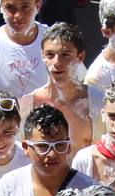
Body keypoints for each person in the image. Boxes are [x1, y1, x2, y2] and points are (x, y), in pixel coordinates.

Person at [20, 23, 93, 158]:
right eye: (50, 55)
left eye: (65, 55)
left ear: (80, 57)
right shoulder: (27, 105)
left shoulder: (97, 102)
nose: (57, 62)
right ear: (43, 56)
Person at [0, 0, 49, 97]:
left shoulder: (54, 41)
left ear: (38, 5)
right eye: (10, 7)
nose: (18, 15)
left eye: (25, 7)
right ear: (1, 6)